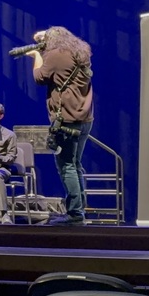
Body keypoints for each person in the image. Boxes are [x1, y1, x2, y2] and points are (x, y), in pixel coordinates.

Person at [26, 27, 94, 226]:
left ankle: (74, 215)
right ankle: (79, 211)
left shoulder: (55, 55)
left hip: (66, 120)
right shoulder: (80, 52)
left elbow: (39, 77)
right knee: (76, 165)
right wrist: (43, 37)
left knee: (66, 167)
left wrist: (37, 55)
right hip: (85, 118)